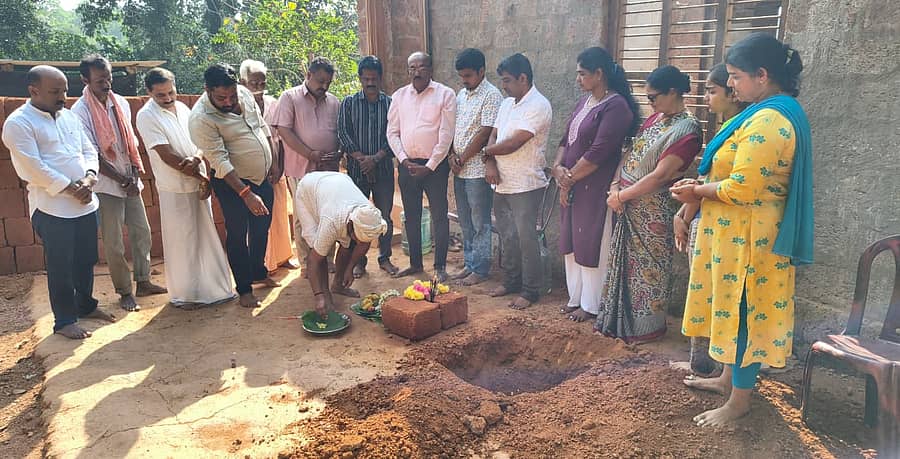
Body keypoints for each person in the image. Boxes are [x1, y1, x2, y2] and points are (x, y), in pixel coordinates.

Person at [672, 33, 812, 427]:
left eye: (734, 76)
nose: (730, 84)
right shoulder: (758, 113)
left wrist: (695, 190)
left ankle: (740, 402)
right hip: (736, 236)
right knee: (733, 308)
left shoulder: (771, 120)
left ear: (762, 75)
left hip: (751, 238)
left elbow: (743, 187)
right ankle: (727, 381)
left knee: (746, 310)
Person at [2, 65, 117, 338]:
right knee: (61, 266)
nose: (63, 96)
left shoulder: (69, 117)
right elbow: (32, 167)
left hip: (86, 203)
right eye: (55, 91)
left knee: (86, 259)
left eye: (65, 90)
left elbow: (89, 149)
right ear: (34, 90)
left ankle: (86, 306)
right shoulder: (19, 123)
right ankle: (65, 321)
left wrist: (90, 178)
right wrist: (69, 188)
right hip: (52, 208)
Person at [594, 65, 702, 342]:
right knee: (623, 265)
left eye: (654, 97)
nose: (650, 103)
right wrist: (616, 185)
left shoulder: (687, 130)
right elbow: (630, 153)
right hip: (627, 202)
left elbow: (661, 176)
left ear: (674, 92)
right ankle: (617, 324)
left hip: (652, 210)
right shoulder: (655, 119)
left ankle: (646, 329)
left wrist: (621, 196)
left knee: (647, 270)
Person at [135, 68, 237, 309]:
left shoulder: (182, 109)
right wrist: (194, 170)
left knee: (205, 236)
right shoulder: (146, 116)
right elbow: (165, 154)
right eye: (161, 95)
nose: (168, 98)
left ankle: (213, 290)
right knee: (183, 242)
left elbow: (201, 141)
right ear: (149, 93)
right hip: (175, 187)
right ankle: (187, 295)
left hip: (198, 180)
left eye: (171, 92)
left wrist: (199, 159)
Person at [71, 54, 167, 312]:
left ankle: (144, 280)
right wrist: (122, 178)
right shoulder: (79, 111)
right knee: (113, 241)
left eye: (109, 77)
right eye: (100, 79)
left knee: (142, 232)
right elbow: (90, 152)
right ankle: (124, 291)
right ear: (85, 79)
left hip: (130, 179)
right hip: (104, 184)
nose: (107, 83)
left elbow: (131, 143)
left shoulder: (121, 103)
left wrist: (134, 174)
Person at [671, 63, 749, 375]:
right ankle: (700, 361)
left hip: (721, 223)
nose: (706, 97)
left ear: (733, 93)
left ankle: (717, 366)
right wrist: (685, 213)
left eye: (712, 91)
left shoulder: (742, 130)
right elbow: (706, 178)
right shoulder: (725, 128)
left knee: (716, 293)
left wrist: (687, 213)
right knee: (700, 291)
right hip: (704, 217)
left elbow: (715, 184)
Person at [553, 47, 638, 322]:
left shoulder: (616, 107)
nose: (578, 79)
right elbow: (566, 140)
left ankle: (592, 304)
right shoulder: (584, 102)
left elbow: (598, 153)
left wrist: (568, 179)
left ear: (599, 74)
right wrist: (557, 169)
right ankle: (575, 297)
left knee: (592, 240)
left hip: (594, 184)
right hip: (573, 182)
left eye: (582, 74)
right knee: (572, 239)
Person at [189, 63, 276, 309]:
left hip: (262, 177)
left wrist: (274, 160)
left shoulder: (244, 93)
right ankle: (245, 288)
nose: (228, 102)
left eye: (232, 95)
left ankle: (258, 272)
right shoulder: (201, 119)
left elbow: (261, 126)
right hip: (232, 184)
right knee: (238, 235)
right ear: (207, 90)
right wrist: (246, 194)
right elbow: (220, 161)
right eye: (221, 97)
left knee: (262, 228)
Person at [484, 53, 552, 310]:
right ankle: (511, 281)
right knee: (507, 236)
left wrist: (487, 154)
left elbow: (514, 142)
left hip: (526, 184)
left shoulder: (539, 105)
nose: (504, 86)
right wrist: (489, 161)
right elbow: (494, 135)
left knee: (526, 239)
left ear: (523, 78)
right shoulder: (507, 104)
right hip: (501, 181)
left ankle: (531, 290)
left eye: (508, 80)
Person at [386, 51, 456, 282]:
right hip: (407, 165)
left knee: (439, 215)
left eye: (421, 67)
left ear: (431, 69)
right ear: (408, 71)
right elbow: (392, 132)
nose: (417, 72)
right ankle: (415, 264)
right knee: (412, 216)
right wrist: (404, 160)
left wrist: (431, 165)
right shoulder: (399, 96)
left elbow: (446, 135)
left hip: (434, 168)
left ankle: (440, 267)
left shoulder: (445, 95)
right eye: (412, 68)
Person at [274, 57, 341, 274]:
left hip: (328, 170)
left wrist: (338, 152)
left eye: (328, 83)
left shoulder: (333, 101)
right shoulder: (289, 98)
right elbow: (284, 131)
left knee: (328, 215)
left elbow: (338, 132)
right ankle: (306, 263)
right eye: (320, 81)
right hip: (300, 168)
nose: (324, 86)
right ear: (308, 75)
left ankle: (327, 260)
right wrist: (310, 154)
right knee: (305, 217)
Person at [337, 55, 399, 278]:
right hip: (356, 172)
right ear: (360, 79)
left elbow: (395, 135)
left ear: (380, 78)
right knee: (356, 218)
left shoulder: (391, 104)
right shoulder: (349, 103)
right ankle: (358, 262)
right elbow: (343, 133)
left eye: (374, 78)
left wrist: (376, 158)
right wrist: (362, 159)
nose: (370, 83)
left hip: (382, 170)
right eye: (366, 79)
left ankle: (385, 258)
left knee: (385, 217)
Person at [295, 172, 387, 317]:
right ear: (350, 226)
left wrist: (349, 268)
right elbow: (314, 260)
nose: (360, 243)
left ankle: (337, 285)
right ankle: (325, 293)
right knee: (317, 248)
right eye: (358, 238)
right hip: (308, 190)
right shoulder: (331, 221)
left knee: (348, 246)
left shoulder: (369, 214)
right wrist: (319, 296)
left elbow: (363, 244)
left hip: (338, 185)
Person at [449, 48, 503, 286]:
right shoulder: (461, 95)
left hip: (477, 171)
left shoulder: (492, 95)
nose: (465, 80)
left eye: (469, 75)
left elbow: (485, 133)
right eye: (462, 76)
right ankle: (470, 263)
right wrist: (451, 154)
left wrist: (461, 159)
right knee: (465, 220)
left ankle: (480, 268)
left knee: (480, 221)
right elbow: (454, 128)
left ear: (482, 71)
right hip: (459, 169)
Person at [239, 59, 298, 274]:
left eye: (262, 83)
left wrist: (279, 166)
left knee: (280, 213)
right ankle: (263, 264)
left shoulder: (273, 103)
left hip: (276, 167)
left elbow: (279, 138)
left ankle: (283, 257)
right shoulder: (238, 105)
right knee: (258, 219)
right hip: (252, 170)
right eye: (253, 83)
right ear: (243, 81)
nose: (258, 88)